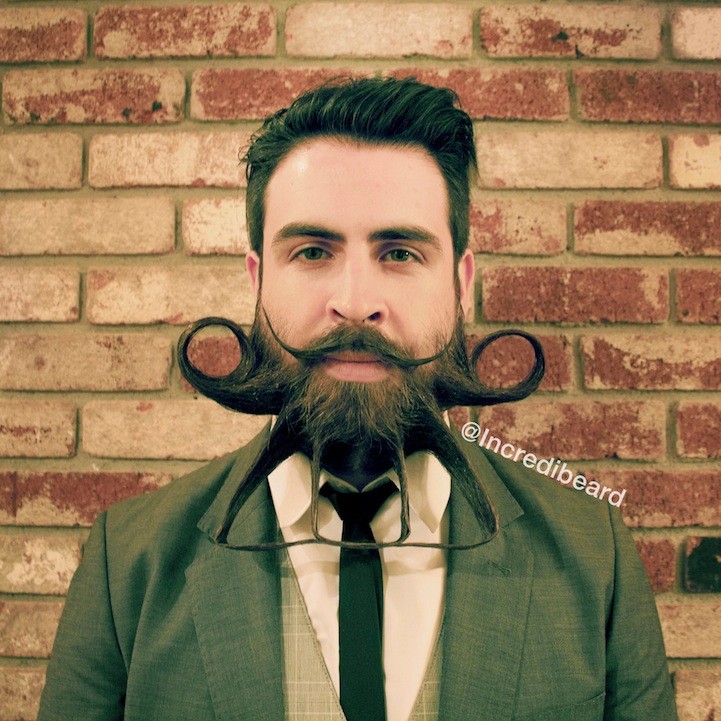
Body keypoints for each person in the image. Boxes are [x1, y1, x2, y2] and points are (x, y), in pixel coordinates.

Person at [38, 77, 677, 721]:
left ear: (461, 283)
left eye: (399, 253)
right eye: (312, 251)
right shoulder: (129, 561)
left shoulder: (595, 555)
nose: (355, 302)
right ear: (258, 280)